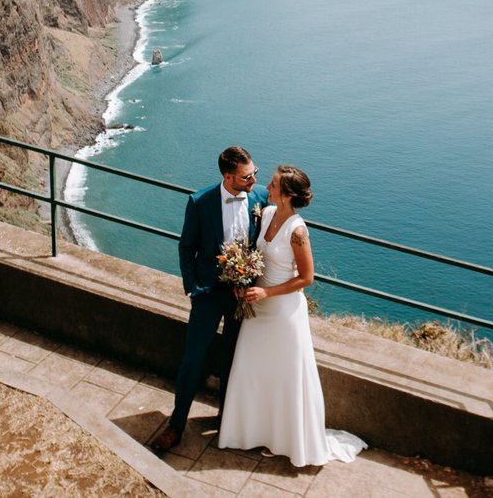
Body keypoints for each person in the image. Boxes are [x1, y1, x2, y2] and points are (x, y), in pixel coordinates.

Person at [218, 164, 366, 466]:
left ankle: (283, 440)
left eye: (272, 184)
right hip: (257, 308)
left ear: (286, 195)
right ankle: (250, 431)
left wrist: (266, 293)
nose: (266, 187)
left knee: (284, 377)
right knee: (252, 370)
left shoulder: (298, 231)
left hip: (283, 312)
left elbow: (307, 278)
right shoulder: (268, 214)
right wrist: (244, 280)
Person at [150, 145, 268, 453]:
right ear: (228, 177)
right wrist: (192, 288)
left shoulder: (260, 198)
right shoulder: (200, 201)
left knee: (233, 359)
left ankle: (226, 420)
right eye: (247, 176)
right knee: (193, 360)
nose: (255, 180)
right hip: (207, 295)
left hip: (242, 296)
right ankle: (176, 425)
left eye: (254, 172)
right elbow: (186, 247)